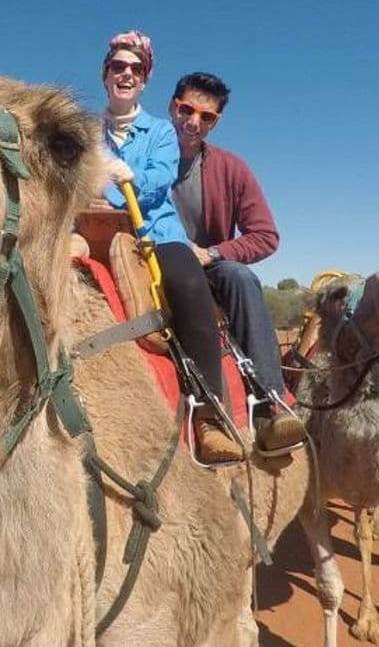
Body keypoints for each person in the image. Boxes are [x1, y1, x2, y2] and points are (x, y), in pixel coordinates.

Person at [97, 31, 244, 463]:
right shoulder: (85, 131)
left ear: (144, 81)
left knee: (187, 281)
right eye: (119, 66)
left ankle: (209, 413)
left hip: (154, 236)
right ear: (106, 73)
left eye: (135, 69)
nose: (126, 74)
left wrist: (108, 185)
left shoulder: (161, 133)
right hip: (93, 236)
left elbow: (158, 180)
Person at [167, 71, 306, 454]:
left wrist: (212, 252)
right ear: (172, 106)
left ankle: (271, 405)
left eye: (206, 117)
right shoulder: (146, 156)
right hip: (144, 260)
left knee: (240, 277)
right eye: (186, 109)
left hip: (207, 269)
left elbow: (265, 236)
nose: (193, 122)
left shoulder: (232, 168)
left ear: (216, 122)